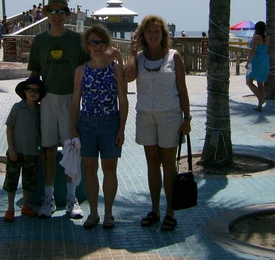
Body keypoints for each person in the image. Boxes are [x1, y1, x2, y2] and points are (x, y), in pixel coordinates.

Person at [123, 15, 191, 232]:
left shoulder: (174, 57)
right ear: (143, 35)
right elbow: (128, 77)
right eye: (149, 31)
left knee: (168, 165)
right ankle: (155, 210)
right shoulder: (140, 58)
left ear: (163, 34)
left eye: (157, 31)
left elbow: (182, 89)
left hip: (169, 115)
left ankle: (171, 212)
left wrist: (187, 118)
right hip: (146, 115)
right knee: (152, 163)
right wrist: (132, 53)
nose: (153, 35)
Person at [27, 0, 90, 219]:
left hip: (71, 100)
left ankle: (72, 199)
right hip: (47, 100)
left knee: (72, 149)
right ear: (46, 14)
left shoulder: (77, 40)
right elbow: (34, 74)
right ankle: (49, 198)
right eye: (52, 11)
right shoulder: (39, 41)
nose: (56, 15)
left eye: (60, 11)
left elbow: (88, 69)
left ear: (67, 14)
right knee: (48, 151)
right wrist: (29, 101)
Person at [70, 25, 128, 229]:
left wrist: (121, 128)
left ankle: (109, 213)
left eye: (101, 42)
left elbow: (123, 100)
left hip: (110, 122)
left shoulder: (116, 70)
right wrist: (73, 127)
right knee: (89, 168)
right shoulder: (80, 71)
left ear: (107, 44)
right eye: (93, 42)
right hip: (86, 123)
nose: (97, 46)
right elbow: (76, 101)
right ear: (87, 45)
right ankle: (93, 213)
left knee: (109, 168)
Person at [3, 77, 46, 222]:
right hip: (17, 151)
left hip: (32, 152)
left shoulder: (40, 111)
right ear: (24, 91)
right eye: (29, 90)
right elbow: (9, 128)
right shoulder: (17, 108)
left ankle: (25, 206)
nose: (33, 93)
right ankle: (10, 208)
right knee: (11, 181)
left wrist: (42, 150)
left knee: (29, 182)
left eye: (36, 91)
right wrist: (11, 149)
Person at [246, 20, 270, 111]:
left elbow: (253, 50)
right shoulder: (267, 38)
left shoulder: (256, 37)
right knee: (260, 82)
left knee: (249, 81)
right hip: (264, 60)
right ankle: (260, 106)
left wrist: (248, 62)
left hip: (256, 60)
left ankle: (260, 98)